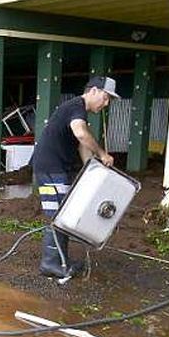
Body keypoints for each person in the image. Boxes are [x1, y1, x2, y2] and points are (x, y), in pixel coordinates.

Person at [30, 76, 119, 279]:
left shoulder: (77, 111)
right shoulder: (76, 107)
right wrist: (102, 154)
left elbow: (81, 146)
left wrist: (92, 169)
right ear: (93, 91)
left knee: (64, 213)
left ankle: (61, 260)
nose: (106, 104)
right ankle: (50, 263)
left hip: (57, 167)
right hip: (51, 167)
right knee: (57, 215)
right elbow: (81, 134)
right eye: (105, 98)